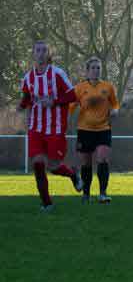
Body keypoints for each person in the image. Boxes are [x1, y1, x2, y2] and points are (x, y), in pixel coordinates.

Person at [19, 39, 83, 210]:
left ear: (48, 54)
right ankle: (47, 203)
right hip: (35, 128)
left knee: (53, 166)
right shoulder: (28, 77)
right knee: (38, 164)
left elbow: (73, 96)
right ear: (33, 53)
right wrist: (22, 107)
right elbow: (26, 97)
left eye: (43, 50)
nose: (40, 53)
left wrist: (53, 101)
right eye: (37, 50)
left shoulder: (57, 74)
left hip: (55, 128)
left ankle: (72, 175)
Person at [69, 56, 120, 203]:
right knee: (86, 163)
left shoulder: (108, 87)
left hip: (103, 129)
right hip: (85, 130)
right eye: (93, 68)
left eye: (98, 68)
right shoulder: (79, 88)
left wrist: (115, 110)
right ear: (87, 71)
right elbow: (70, 107)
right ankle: (86, 194)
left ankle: (103, 194)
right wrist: (62, 121)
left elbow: (115, 104)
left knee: (102, 158)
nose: (96, 70)